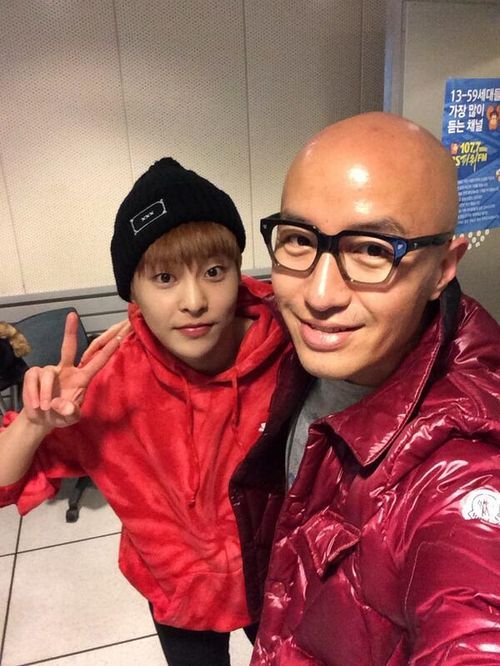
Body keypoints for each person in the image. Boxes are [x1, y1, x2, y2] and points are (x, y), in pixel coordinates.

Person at [229, 112, 500, 664]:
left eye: (374, 249)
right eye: (299, 239)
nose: (319, 295)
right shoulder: (300, 338)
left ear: (442, 268)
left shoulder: (463, 469)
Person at [0, 158, 289, 666]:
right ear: (133, 290)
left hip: (279, 578)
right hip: (177, 592)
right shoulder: (110, 381)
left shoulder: (291, 350)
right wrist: (34, 421)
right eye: (164, 277)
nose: (194, 300)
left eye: (214, 272)